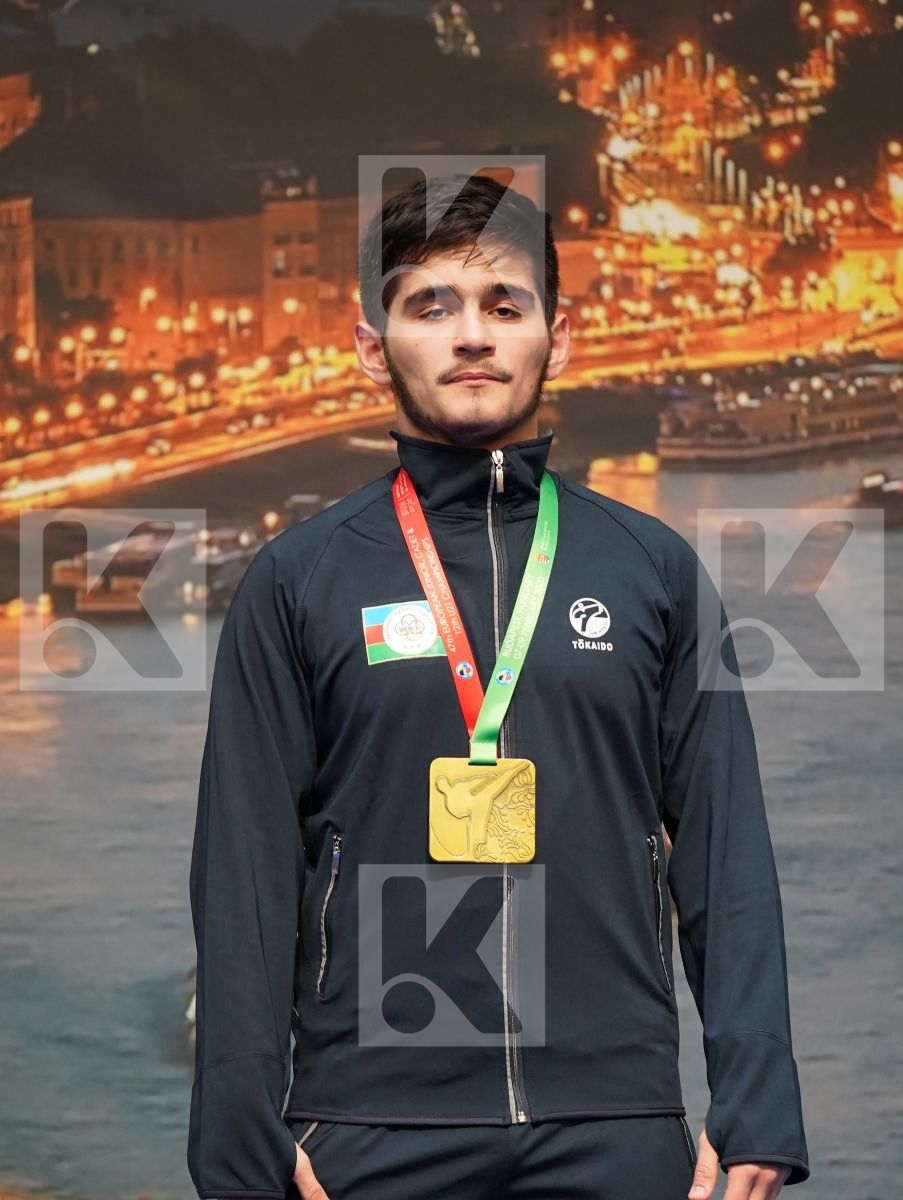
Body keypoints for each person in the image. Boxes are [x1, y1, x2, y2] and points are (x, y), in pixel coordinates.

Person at [187, 174, 810, 1200]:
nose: (471, 335)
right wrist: (240, 1145)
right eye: (430, 305)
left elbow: (725, 856)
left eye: (503, 305)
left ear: (555, 341)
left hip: (617, 1130)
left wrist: (756, 1105)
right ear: (371, 344)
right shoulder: (297, 583)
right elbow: (245, 880)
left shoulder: (650, 572)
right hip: (367, 1134)